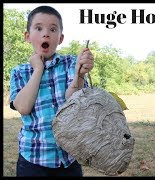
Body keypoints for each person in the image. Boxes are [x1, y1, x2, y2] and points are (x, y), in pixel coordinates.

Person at [9, 6, 94, 176]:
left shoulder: (71, 63)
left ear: (60, 38)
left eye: (53, 29)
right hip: (33, 159)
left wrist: (80, 74)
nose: (46, 34)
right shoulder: (19, 72)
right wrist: (38, 68)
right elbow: (23, 107)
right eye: (38, 28)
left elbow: (73, 101)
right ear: (28, 36)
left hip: (69, 158)